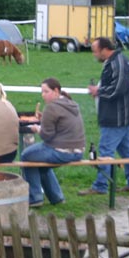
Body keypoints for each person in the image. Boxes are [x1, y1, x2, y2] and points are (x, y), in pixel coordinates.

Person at [79, 37, 129, 195]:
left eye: (95, 51)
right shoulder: (117, 61)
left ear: (104, 49)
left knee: (105, 151)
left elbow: (119, 88)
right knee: (126, 150)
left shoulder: (118, 63)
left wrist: (98, 91)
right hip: (122, 115)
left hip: (117, 117)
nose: (94, 55)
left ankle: (100, 186)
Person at [21, 78, 85, 207]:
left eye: (46, 91)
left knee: (26, 156)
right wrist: (45, 119)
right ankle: (56, 197)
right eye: (42, 91)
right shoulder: (70, 103)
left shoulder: (52, 107)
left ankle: (35, 197)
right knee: (40, 163)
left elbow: (46, 136)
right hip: (79, 151)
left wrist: (37, 129)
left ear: (56, 91)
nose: (43, 94)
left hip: (62, 151)